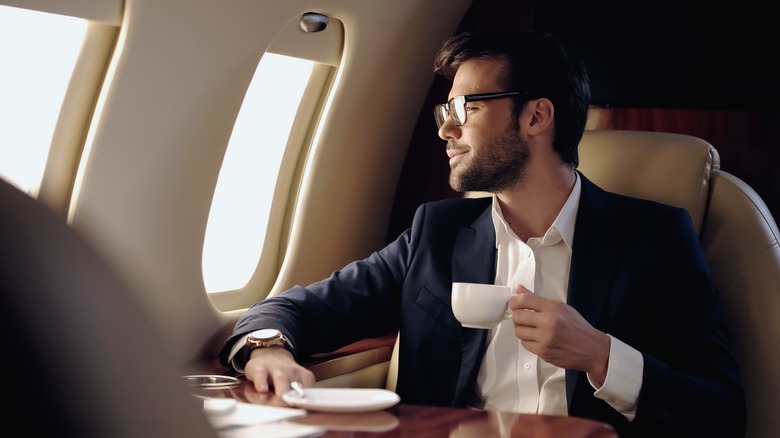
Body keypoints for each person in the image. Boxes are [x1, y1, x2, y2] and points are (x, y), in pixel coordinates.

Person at [218, 26, 746, 437]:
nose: (446, 128)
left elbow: (721, 413)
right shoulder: (436, 234)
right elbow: (297, 309)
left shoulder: (654, 240)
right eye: (444, 111)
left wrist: (602, 356)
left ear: (537, 116)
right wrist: (267, 347)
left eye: (465, 107)